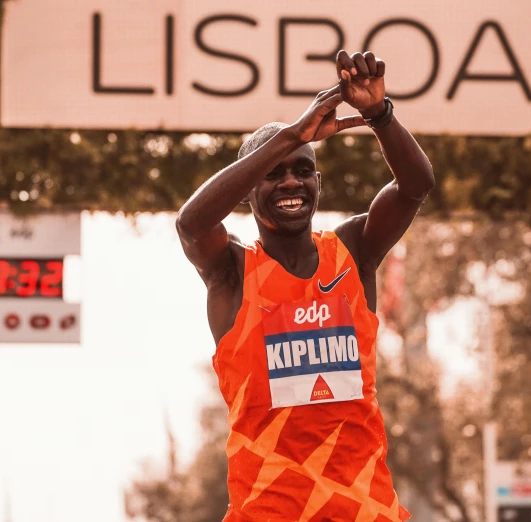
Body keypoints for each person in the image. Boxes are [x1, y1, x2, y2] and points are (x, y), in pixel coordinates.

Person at [176, 50, 435, 522]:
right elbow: (192, 224)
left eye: (301, 169)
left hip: (366, 511)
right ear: (249, 191)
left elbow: (416, 185)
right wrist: (294, 133)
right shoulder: (232, 272)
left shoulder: (354, 251)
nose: (290, 182)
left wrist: (379, 114)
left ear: (319, 182)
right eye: (272, 173)